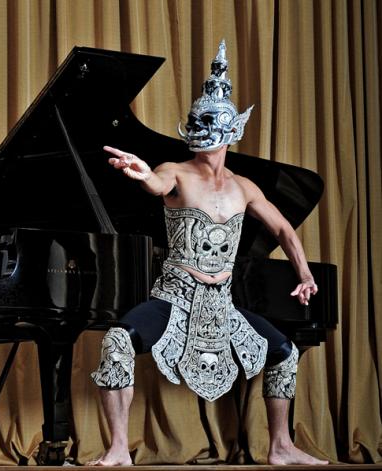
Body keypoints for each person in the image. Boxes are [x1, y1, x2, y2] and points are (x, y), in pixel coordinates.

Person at [87, 40, 328, 466]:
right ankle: (119, 448)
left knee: (285, 353)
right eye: (195, 124)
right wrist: (142, 173)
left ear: (232, 131)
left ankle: (281, 446)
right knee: (117, 342)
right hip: (174, 300)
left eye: (209, 125)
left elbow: (284, 229)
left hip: (222, 305)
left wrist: (305, 275)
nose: (200, 134)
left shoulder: (244, 188)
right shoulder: (175, 173)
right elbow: (157, 186)